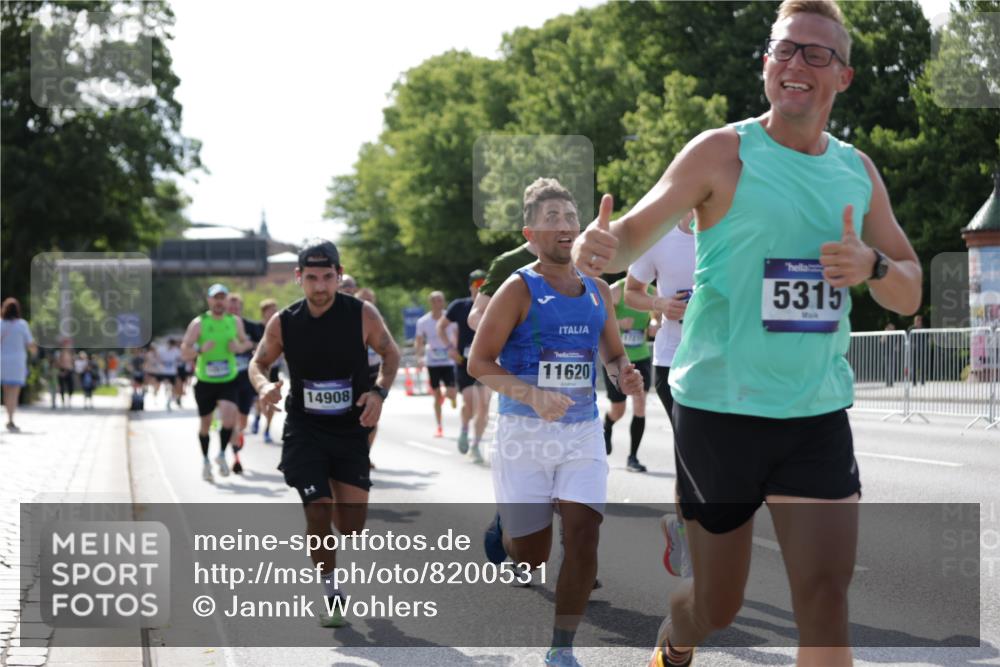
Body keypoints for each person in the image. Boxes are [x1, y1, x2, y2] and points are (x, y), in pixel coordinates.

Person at [572, 3, 922, 665]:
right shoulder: (720, 152)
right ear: (766, 63)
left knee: (824, 597)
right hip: (720, 411)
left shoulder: (858, 170)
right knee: (717, 605)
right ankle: (675, 640)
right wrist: (602, 246)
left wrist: (873, 265)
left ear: (843, 77)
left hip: (815, 410)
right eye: (784, 50)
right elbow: (631, 237)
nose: (796, 65)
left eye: (816, 54)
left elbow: (908, 288)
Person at [469, 178, 643, 667]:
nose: (565, 227)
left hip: (582, 431)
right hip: (525, 434)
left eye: (570, 217)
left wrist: (622, 374)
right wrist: (533, 395)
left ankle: (561, 649)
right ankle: (506, 523)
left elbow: (610, 352)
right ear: (531, 233)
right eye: (552, 219)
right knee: (531, 557)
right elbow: (478, 362)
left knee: (584, 534)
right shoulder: (518, 288)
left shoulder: (598, 291)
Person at [250, 239, 400, 628]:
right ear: (299, 278)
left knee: (350, 525)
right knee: (318, 510)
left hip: (350, 428)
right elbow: (258, 363)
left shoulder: (362, 314)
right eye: (312, 278)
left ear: (339, 276)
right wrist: (264, 387)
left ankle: (331, 494)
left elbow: (390, 353)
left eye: (328, 277)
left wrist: (378, 392)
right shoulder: (284, 321)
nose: (320, 287)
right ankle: (332, 593)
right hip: (305, 427)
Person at [624, 211, 697, 576]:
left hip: (728, 365)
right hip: (675, 364)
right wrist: (661, 304)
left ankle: (684, 527)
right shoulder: (662, 239)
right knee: (694, 457)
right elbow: (631, 291)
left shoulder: (738, 232)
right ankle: (691, 546)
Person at [180, 284, 252, 482]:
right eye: (216, 298)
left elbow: (247, 342)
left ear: (227, 301)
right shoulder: (199, 323)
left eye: (223, 298)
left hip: (228, 379)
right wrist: (200, 349)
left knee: (229, 419)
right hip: (205, 381)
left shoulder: (234, 321)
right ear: (209, 300)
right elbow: (185, 350)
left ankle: (221, 454)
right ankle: (205, 461)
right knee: (206, 424)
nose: (219, 301)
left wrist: (238, 347)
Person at [601, 277, 657, 472]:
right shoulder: (616, 290)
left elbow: (657, 315)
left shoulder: (653, 292)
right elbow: (598, 317)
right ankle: (607, 425)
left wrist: (654, 324)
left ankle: (633, 457)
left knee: (640, 404)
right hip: (616, 359)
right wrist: (617, 322)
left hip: (641, 356)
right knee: (619, 409)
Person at [438, 270, 492, 462]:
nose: (480, 288)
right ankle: (464, 430)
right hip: (464, 363)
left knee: (484, 406)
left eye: (484, 284)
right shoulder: (460, 306)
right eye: (477, 284)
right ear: (470, 286)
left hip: (488, 362)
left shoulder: (494, 305)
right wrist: (449, 348)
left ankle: (476, 445)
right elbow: (441, 327)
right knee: (470, 401)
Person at [227, 293, 265, 474]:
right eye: (230, 307)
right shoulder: (219, 326)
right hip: (225, 380)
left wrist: (251, 347)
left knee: (241, 421)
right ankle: (236, 457)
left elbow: (263, 347)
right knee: (230, 415)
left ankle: (237, 434)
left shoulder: (252, 327)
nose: (233, 310)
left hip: (245, 378)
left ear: (241, 309)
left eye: (236, 308)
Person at [468, 240, 538, 331]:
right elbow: (476, 315)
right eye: (476, 283)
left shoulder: (561, 262)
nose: (479, 286)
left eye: (481, 282)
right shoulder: (506, 263)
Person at [414, 291, 457, 437]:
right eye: (436, 300)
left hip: (448, 360)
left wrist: (455, 351)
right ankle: (439, 426)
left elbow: (456, 336)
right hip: (433, 362)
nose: (439, 303)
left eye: (441, 300)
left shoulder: (449, 318)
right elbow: (419, 341)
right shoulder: (423, 321)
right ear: (431, 303)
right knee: (436, 395)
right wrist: (419, 358)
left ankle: (450, 395)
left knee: (451, 393)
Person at [0, 297, 37, 431]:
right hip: (17, 362)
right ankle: (11, 419)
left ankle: (8, 417)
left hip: (2, 361)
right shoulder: (22, 324)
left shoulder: (1, 324)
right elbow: (30, 344)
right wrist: (34, 353)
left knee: (5, 391)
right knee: (14, 392)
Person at [357, 287, 383, 465]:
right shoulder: (348, 316)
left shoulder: (377, 319)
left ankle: (365, 454)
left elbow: (389, 350)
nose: (367, 302)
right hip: (354, 373)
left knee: (372, 416)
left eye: (370, 299)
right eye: (363, 299)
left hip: (373, 370)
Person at [250, 298, 281, 443]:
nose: (274, 312)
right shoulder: (257, 328)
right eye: (271, 310)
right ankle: (257, 417)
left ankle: (267, 430)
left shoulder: (279, 326)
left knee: (273, 402)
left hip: (274, 370)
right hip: (261, 371)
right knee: (259, 399)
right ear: (264, 312)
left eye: (275, 309)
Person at [156, 338, 184, 411]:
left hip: (173, 372)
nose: (170, 346)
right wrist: (160, 362)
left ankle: (169, 401)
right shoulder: (161, 350)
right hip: (164, 372)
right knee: (166, 386)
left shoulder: (176, 351)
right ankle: (166, 399)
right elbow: (157, 357)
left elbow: (180, 358)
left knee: (173, 388)